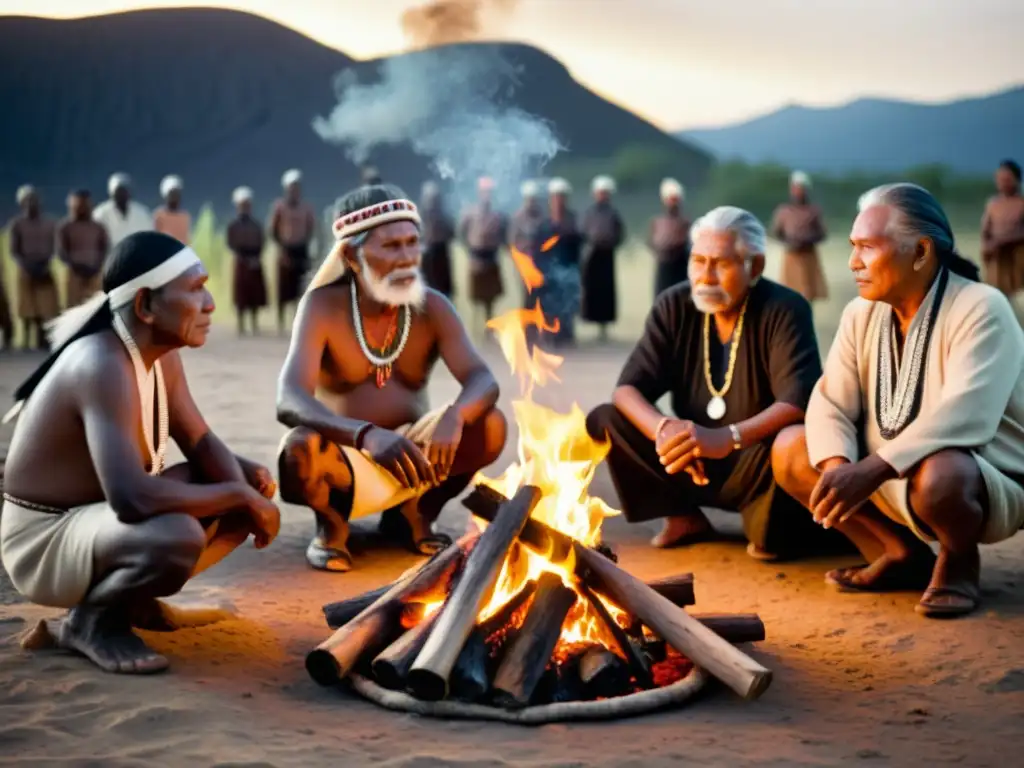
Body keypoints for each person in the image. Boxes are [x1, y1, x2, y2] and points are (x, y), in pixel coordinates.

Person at [0, 231, 280, 673]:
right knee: (177, 537)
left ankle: (131, 602)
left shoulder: (159, 354)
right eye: (195, 290)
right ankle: (90, 622)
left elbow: (201, 442)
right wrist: (239, 497)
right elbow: (131, 499)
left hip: (95, 521)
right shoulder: (101, 363)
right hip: (43, 539)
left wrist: (247, 487)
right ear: (146, 306)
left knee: (243, 484)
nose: (210, 304)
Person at [772, 183, 1024, 618]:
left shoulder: (983, 307)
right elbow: (830, 401)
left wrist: (869, 470)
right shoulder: (859, 313)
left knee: (942, 473)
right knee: (791, 450)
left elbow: (967, 413)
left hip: (984, 480)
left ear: (922, 251)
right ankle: (902, 554)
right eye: (852, 246)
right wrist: (837, 469)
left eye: (868, 247)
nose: (853, 262)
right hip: (888, 476)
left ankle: (959, 563)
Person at [276, 183, 507, 572]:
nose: (407, 258)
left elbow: (483, 380)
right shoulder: (322, 306)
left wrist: (455, 416)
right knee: (300, 451)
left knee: (490, 425)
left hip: (416, 455)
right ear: (351, 254)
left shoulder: (432, 306)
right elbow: (290, 399)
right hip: (346, 453)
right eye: (391, 246)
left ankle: (414, 516)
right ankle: (331, 528)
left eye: (412, 243)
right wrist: (365, 435)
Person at [587, 206, 836, 560]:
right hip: (689, 459)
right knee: (606, 418)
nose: (705, 276)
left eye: (721, 263)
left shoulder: (785, 308)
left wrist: (726, 438)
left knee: (788, 450)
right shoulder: (674, 304)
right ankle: (682, 516)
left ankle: (768, 530)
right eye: (698, 261)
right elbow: (627, 390)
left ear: (756, 267)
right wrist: (666, 430)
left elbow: (796, 403)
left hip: (756, 462)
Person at [532, 177, 582, 348]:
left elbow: (579, 245)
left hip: (569, 268)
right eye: (555, 197)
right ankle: (549, 334)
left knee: (568, 302)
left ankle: (566, 335)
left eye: (561, 196)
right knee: (549, 303)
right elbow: (537, 249)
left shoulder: (573, 221)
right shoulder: (544, 224)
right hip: (548, 270)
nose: (558, 200)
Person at [9, 185, 59, 350]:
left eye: (34, 200)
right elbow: (14, 250)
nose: (31, 204)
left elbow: (54, 247)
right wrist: (26, 265)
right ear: (22, 203)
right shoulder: (17, 224)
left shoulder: (49, 223)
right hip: (26, 269)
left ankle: (43, 340)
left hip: (44, 268)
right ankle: (25, 341)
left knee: (47, 307)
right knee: (27, 307)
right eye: (27, 201)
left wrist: (45, 263)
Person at [269, 169, 317, 334]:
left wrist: (307, 246)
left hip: (301, 250)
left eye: (296, 187)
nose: (294, 190)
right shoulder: (279, 207)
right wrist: (281, 247)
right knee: (284, 288)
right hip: (285, 249)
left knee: (301, 288)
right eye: (291, 187)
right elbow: (273, 230)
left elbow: (311, 229)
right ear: (286, 188)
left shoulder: (306, 208)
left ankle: (300, 322)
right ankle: (281, 324)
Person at [770, 171, 829, 303]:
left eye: (802, 188)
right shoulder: (783, 211)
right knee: (789, 295)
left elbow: (822, 234)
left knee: (807, 296)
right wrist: (789, 242)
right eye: (796, 188)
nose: (799, 192)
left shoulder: (813, 211)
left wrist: (807, 240)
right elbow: (776, 233)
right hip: (791, 257)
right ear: (791, 189)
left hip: (808, 257)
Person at [580, 175, 625, 341]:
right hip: (592, 255)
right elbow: (583, 232)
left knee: (606, 292)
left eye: (605, 193)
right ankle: (594, 325)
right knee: (593, 291)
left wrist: (611, 243)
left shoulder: (613, 213)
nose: (603, 196)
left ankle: (604, 328)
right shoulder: (589, 213)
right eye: (600, 193)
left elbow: (620, 234)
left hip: (607, 255)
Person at [458, 176, 507, 326]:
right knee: (476, 298)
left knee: (490, 298)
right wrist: (470, 249)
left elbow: (504, 236)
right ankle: (475, 327)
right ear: (479, 193)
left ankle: (489, 325)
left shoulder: (498, 216)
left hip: (491, 258)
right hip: (476, 259)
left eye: (489, 192)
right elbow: (461, 233)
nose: (486, 195)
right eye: (484, 192)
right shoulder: (469, 213)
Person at [58, 190, 110, 309]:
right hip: (74, 275)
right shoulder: (65, 227)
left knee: (95, 309)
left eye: (85, 205)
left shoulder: (98, 227)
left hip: (95, 273)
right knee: (73, 310)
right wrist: (77, 268)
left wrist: (96, 266)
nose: (82, 209)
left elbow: (104, 248)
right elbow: (61, 252)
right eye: (78, 206)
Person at [226, 186, 267, 335]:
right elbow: (230, 243)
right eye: (242, 204)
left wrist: (256, 256)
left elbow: (262, 241)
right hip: (241, 260)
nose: (245, 207)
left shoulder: (256, 225)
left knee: (254, 293)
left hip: (254, 259)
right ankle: (241, 324)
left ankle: (254, 323)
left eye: (247, 204)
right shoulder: (233, 225)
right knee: (241, 294)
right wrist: (241, 255)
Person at [980, 159, 1024, 298]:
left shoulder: (1021, 204)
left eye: (1007, 179)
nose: (1003, 182)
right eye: (1000, 178)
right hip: (997, 261)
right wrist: (988, 246)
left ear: (1017, 180)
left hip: (1017, 262)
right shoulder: (993, 204)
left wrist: (1005, 241)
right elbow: (985, 231)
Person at [648, 178, 691, 298]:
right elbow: (651, 241)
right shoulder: (657, 221)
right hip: (663, 263)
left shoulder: (685, 222)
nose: (673, 203)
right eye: (671, 200)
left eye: (675, 200)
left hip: (679, 264)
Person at [92, 174, 153, 248]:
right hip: (110, 256)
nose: (121, 194)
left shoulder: (142, 213)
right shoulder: (100, 213)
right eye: (118, 191)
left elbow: (149, 237)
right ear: (111, 193)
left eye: (124, 191)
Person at [419, 181, 456, 298]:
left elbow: (452, 233)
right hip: (425, 260)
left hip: (441, 259)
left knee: (445, 296)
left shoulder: (444, 218)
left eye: (435, 199)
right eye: (430, 198)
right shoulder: (418, 218)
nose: (432, 202)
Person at [153, 176, 192, 245]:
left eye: (177, 194)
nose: (174, 198)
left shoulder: (184, 217)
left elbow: (186, 240)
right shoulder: (159, 215)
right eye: (172, 194)